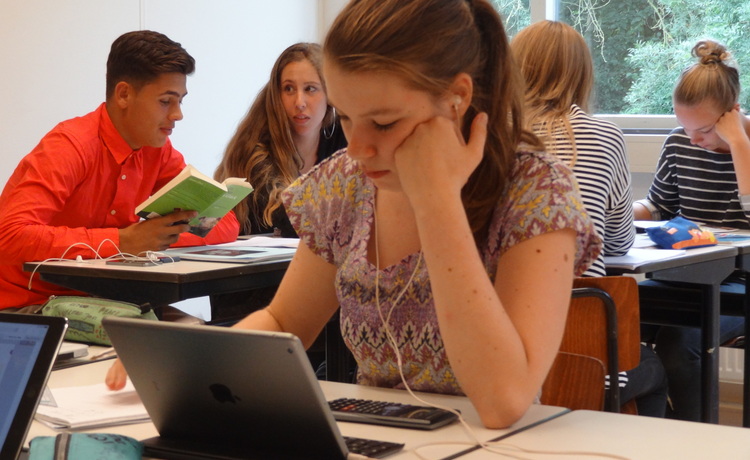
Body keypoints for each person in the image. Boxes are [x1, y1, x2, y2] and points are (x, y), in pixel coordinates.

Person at [108, 0, 601, 429]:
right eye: (345, 116)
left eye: (383, 122)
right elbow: (285, 319)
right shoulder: (345, 183)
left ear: (457, 99)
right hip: (381, 439)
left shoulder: (536, 192)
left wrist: (437, 202)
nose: (358, 148)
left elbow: (503, 402)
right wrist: (190, 363)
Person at [0, 30, 239, 312]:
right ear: (124, 94)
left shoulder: (157, 149)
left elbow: (224, 223)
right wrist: (123, 241)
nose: (178, 115)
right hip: (31, 304)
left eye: (180, 101)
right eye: (166, 101)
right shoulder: (69, 146)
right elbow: (9, 236)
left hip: (110, 298)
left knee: (199, 333)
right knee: (168, 337)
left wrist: (151, 238)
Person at [511, 20, 667, 417]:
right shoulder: (604, 137)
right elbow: (618, 243)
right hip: (585, 353)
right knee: (654, 369)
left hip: (506, 352)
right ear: (581, 75)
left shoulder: (491, 135)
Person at [633, 39, 749, 421]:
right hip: (685, 276)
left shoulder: (743, 144)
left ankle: (697, 440)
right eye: (685, 127)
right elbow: (658, 207)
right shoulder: (679, 142)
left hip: (738, 282)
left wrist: (739, 143)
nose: (694, 140)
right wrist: (616, 211)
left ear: (732, 113)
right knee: (615, 320)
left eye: (704, 130)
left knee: (678, 345)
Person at [214, 42, 347, 238]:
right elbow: (293, 221)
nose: (299, 102)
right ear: (277, 95)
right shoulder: (254, 152)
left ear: (330, 93)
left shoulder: (344, 139)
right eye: (289, 89)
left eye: (310, 89)